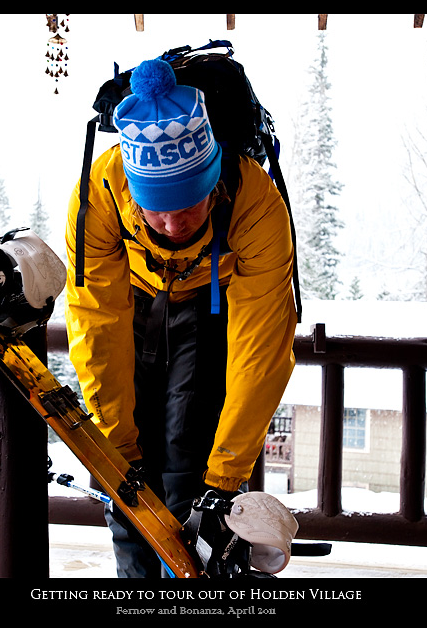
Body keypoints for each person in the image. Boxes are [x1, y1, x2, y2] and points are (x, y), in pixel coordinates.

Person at [64, 58, 297, 577]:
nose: (172, 224)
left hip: (213, 304)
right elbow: (95, 321)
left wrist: (226, 480)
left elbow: (262, 349)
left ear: (213, 183)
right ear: (133, 193)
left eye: (188, 205)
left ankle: (196, 578)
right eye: (156, 209)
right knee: (126, 475)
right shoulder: (101, 192)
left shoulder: (255, 203)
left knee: (188, 466)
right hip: (135, 303)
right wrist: (118, 450)